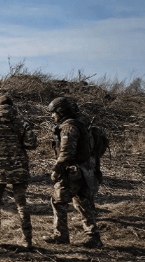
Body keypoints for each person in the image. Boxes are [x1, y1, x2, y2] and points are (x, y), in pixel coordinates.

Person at [0, 95, 38, 248]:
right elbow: (31, 145)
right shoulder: (22, 124)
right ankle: (27, 239)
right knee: (21, 202)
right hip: (19, 167)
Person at [44, 97, 103, 248]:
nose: (53, 116)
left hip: (73, 172)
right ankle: (94, 237)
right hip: (85, 171)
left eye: (54, 113)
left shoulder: (68, 127)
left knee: (58, 201)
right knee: (83, 202)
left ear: (62, 111)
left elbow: (66, 153)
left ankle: (61, 235)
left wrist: (56, 170)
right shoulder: (80, 123)